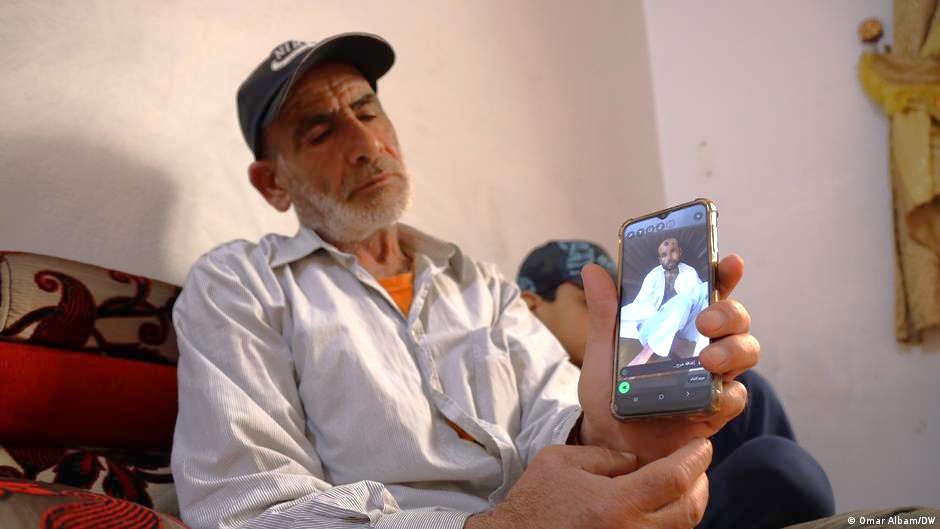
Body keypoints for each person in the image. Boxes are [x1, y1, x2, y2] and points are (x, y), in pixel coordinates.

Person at [170, 33, 930, 529]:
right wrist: (498, 525)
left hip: (572, 510)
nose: (366, 142)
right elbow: (244, 505)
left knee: (744, 405)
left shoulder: (479, 282)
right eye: (320, 128)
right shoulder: (240, 287)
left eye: (367, 109)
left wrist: (598, 425)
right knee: (779, 474)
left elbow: (548, 415)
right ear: (273, 183)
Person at [518, 240, 834, 528]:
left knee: (741, 387)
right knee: (783, 470)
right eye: (589, 300)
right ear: (530, 306)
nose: (608, 315)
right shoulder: (516, 375)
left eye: (616, 299)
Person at [619, 237, 709, 366]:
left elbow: (697, 302)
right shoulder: (653, 275)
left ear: (680, 252)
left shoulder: (689, 272)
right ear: (659, 259)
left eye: (673, 251)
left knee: (705, 288)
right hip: (652, 324)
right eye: (664, 255)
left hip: (682, 326)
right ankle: (647, 352)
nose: (669, 257)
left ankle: (684, 349)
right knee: (682, 300)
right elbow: (641, 305)